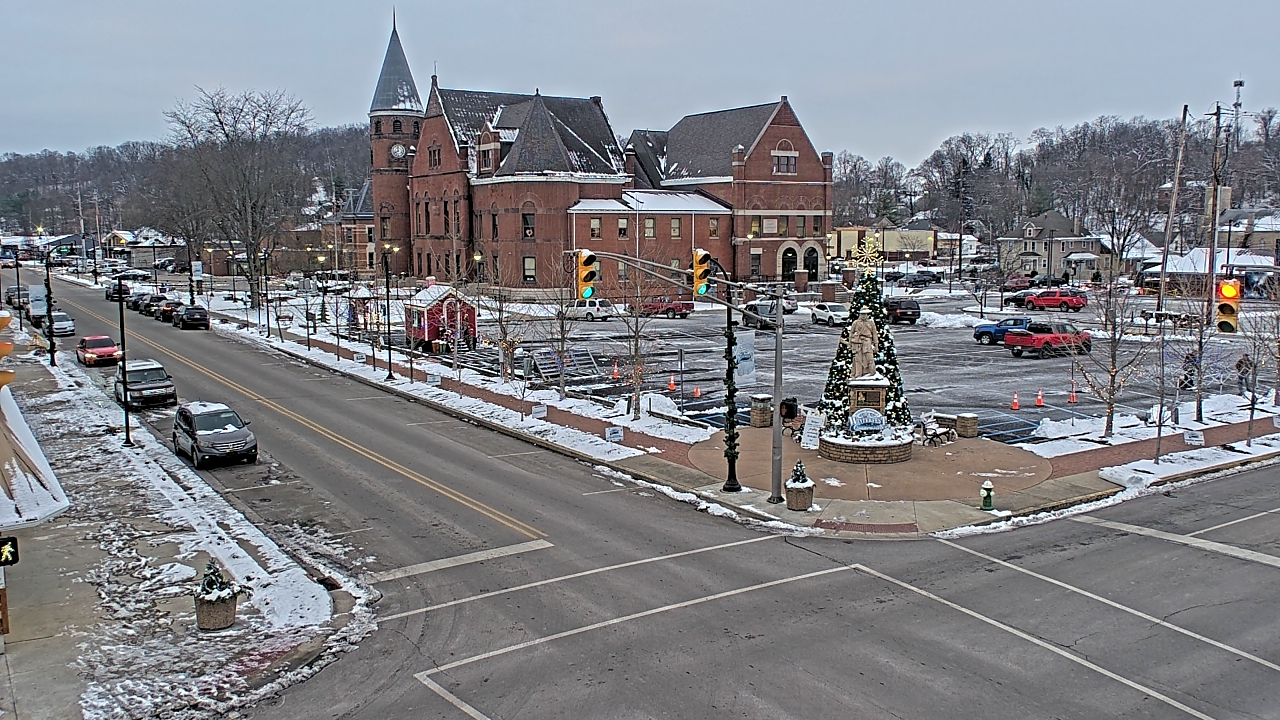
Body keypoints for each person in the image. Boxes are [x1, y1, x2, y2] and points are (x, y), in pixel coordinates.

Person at [846, 308, 879, 377]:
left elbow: (874, 334)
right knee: (858, 359)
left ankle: (872, 372)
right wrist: (850, 343)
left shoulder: (871, 323)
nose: (863, 316)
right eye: (862, 314)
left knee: (869, 358)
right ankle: (858, 374)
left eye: (865, 314)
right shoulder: (856, 323)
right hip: (858, 343)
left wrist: (876, 345)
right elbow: (851, 333)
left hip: (867, 342)